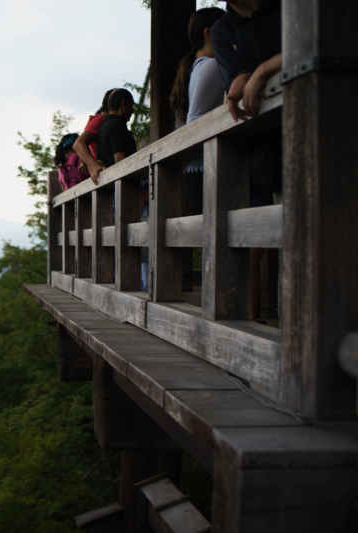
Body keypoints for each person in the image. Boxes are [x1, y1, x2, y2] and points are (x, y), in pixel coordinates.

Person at [211, 0, 281, 321]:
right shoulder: (223, 30)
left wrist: (263, 70)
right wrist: (244, 77)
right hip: (263, 146)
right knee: (260, 236)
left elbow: (318, 40)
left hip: (324, 118)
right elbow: (236, 85)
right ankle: (251, 321)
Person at [169, 7, 227, 216]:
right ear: (209, 33)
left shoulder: (198, 66)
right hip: (206, 169)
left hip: (198, 170)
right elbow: (194, 121)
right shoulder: (212, 65)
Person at [97, 89, 149, 291]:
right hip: (131, 191)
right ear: (124, 104)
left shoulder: (102, 129)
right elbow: (121, 162)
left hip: (116, 194)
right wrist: (138, 195)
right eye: (132, 105)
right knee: (142, 240)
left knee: (124, 241)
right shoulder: (118, 127)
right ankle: (144, 288)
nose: (133, 110)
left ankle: (125, 284)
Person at [73, 89, 115, 185]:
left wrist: (85, 161)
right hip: (104, 176)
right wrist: (94, 165)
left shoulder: (105, 121)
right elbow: (78, 144)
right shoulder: (100, 119)